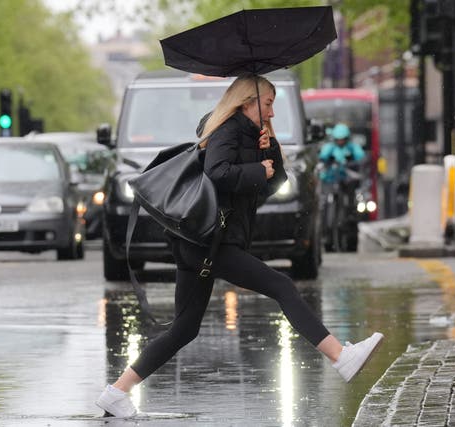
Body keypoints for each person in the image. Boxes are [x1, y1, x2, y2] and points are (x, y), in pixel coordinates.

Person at [95, 73, 384, 418]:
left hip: (199, 243)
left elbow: (272, 184)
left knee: (184, 329)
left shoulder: (249, 134)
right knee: (281, 285)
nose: (272, 112)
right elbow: (218, 172)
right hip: (211, 242)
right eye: (267, 104)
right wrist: (255, 170)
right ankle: (340, 356)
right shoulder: (226, 130)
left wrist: (270, 148)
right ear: (247, 102)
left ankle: (116, 391)